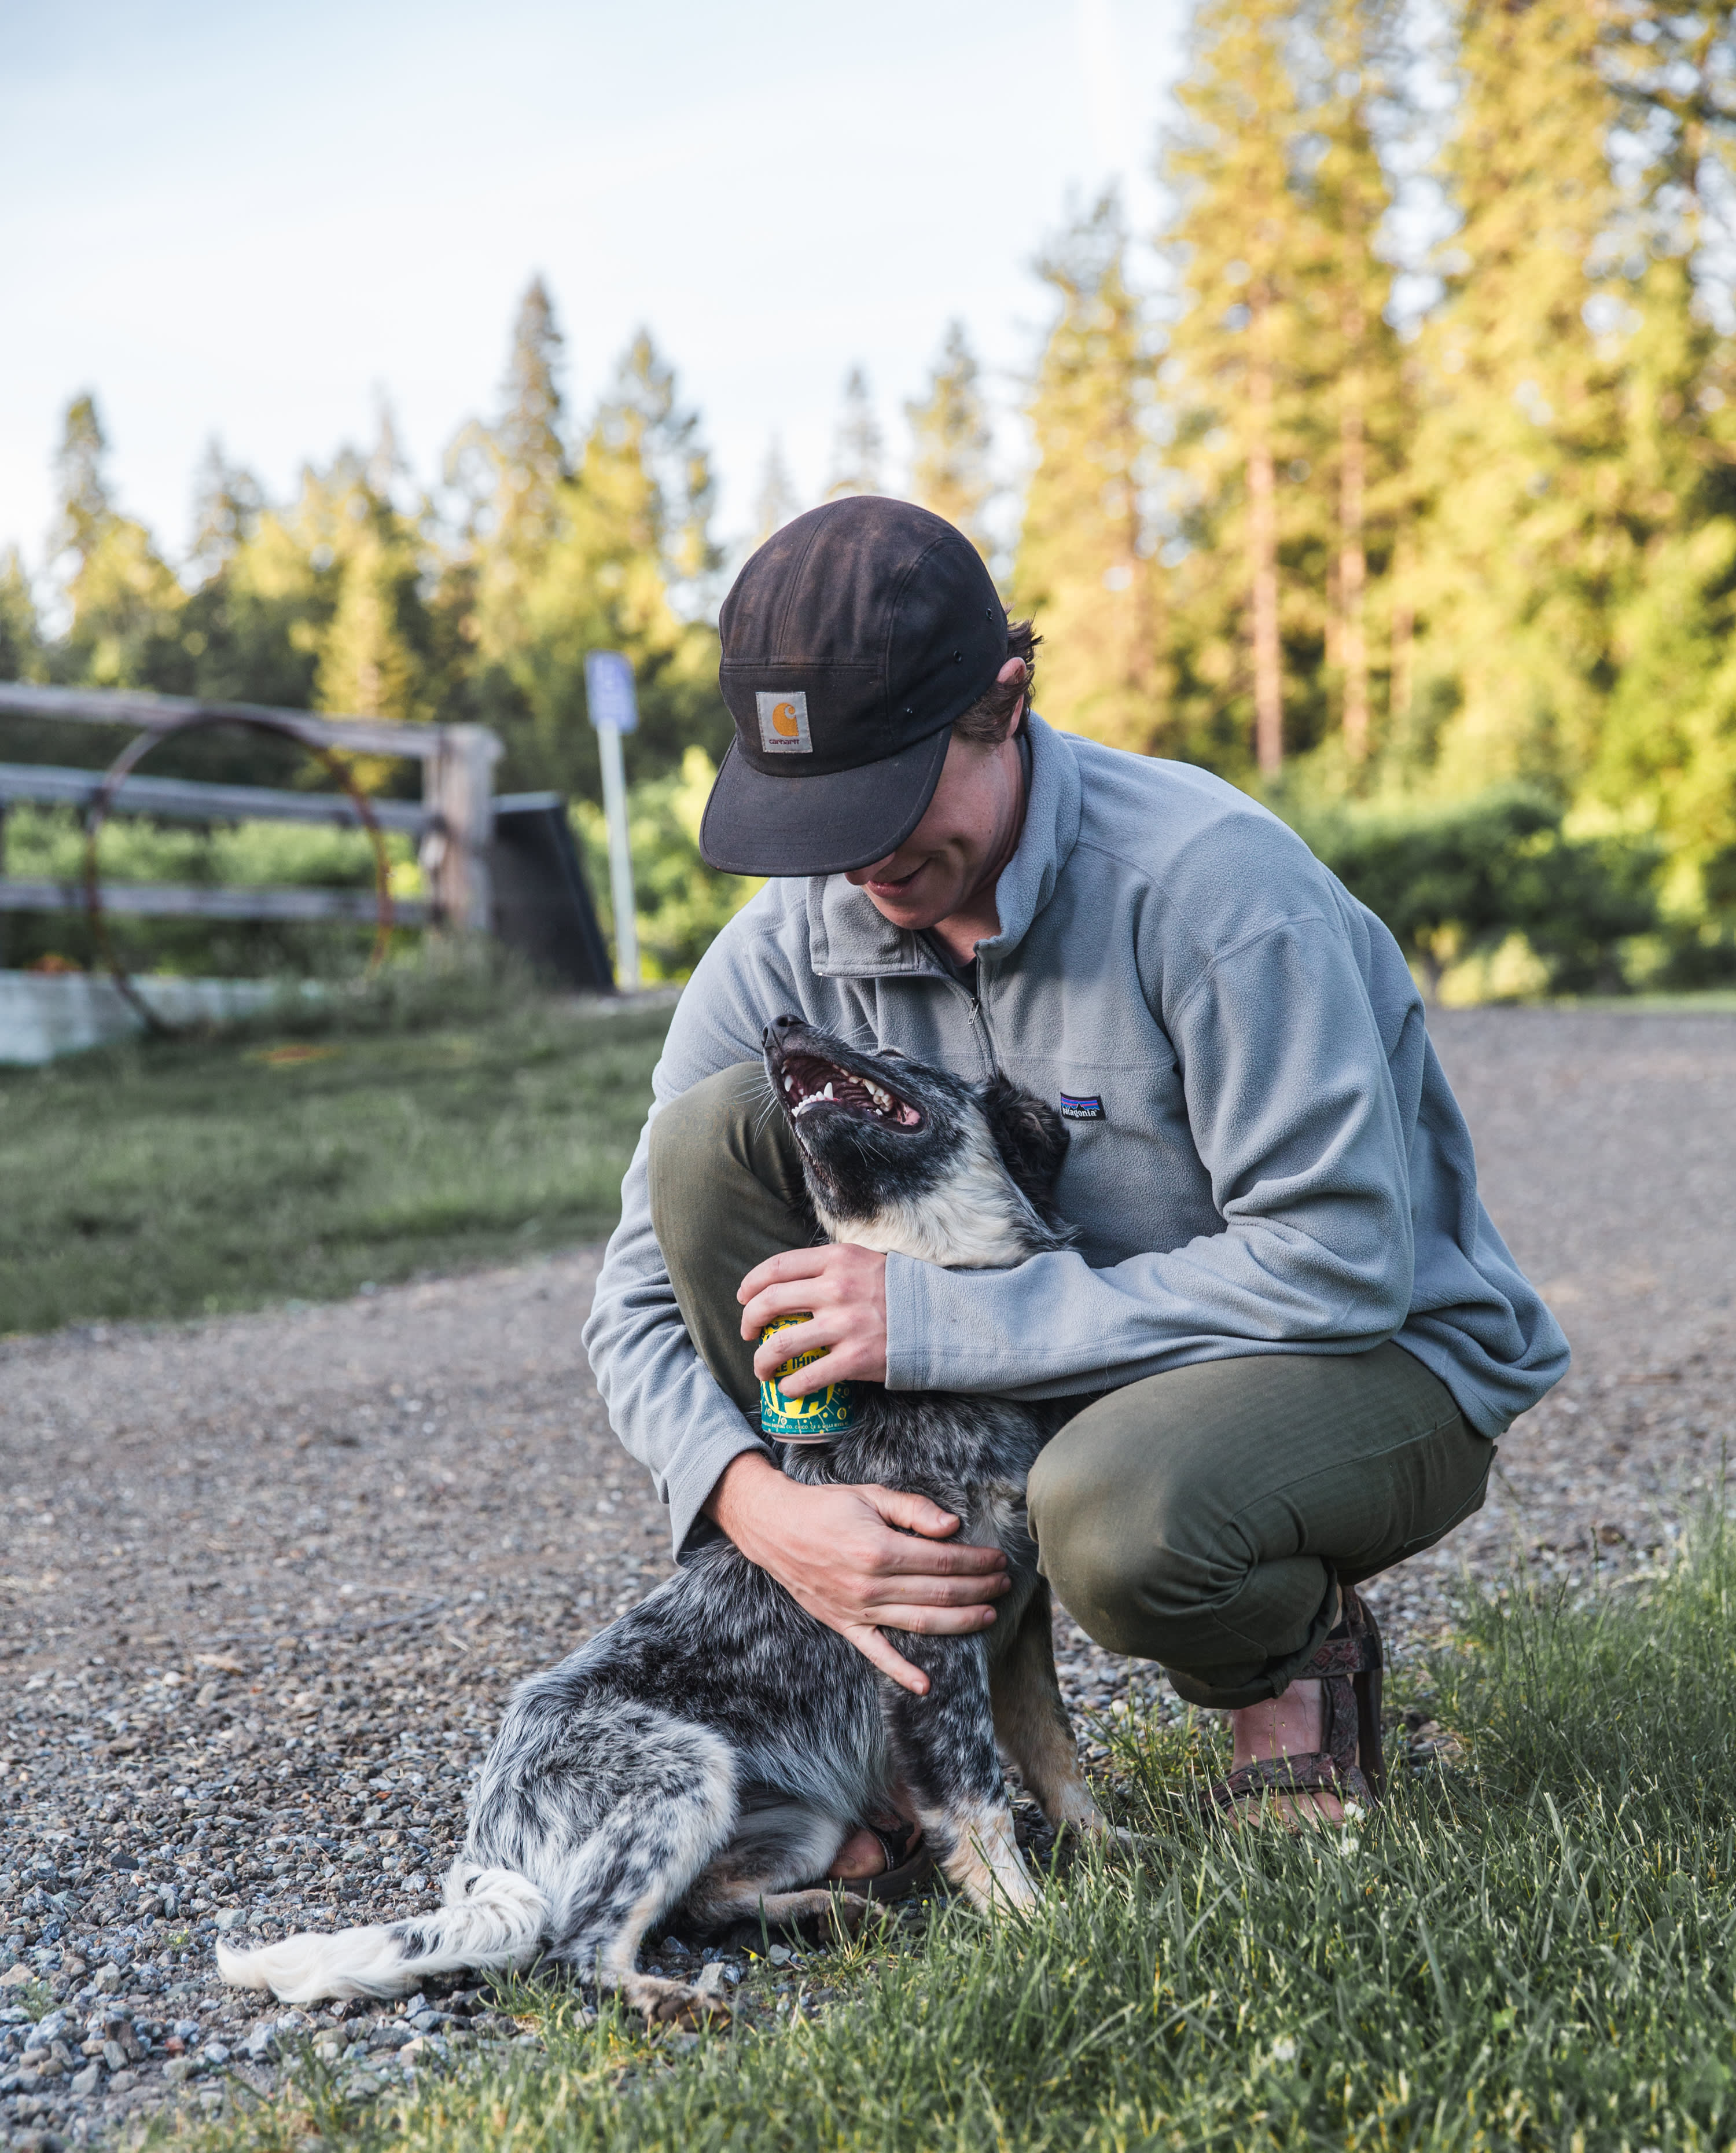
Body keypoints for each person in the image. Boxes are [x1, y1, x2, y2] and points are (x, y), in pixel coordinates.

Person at [584, 497, 1566, 1849]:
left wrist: (932, 1323)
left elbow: (1336, 1260)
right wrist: (755, 1506)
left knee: (1115, 1518)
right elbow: (632, 1298)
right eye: (816, 813)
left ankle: (1287, 1663)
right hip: (1040, 1374)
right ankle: (898, 1718)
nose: (859, 864)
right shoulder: (791, 936)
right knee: (709, 1141)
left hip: (1360, 1354)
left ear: (1007, 702)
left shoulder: (1212, 889)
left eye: (886, 796)